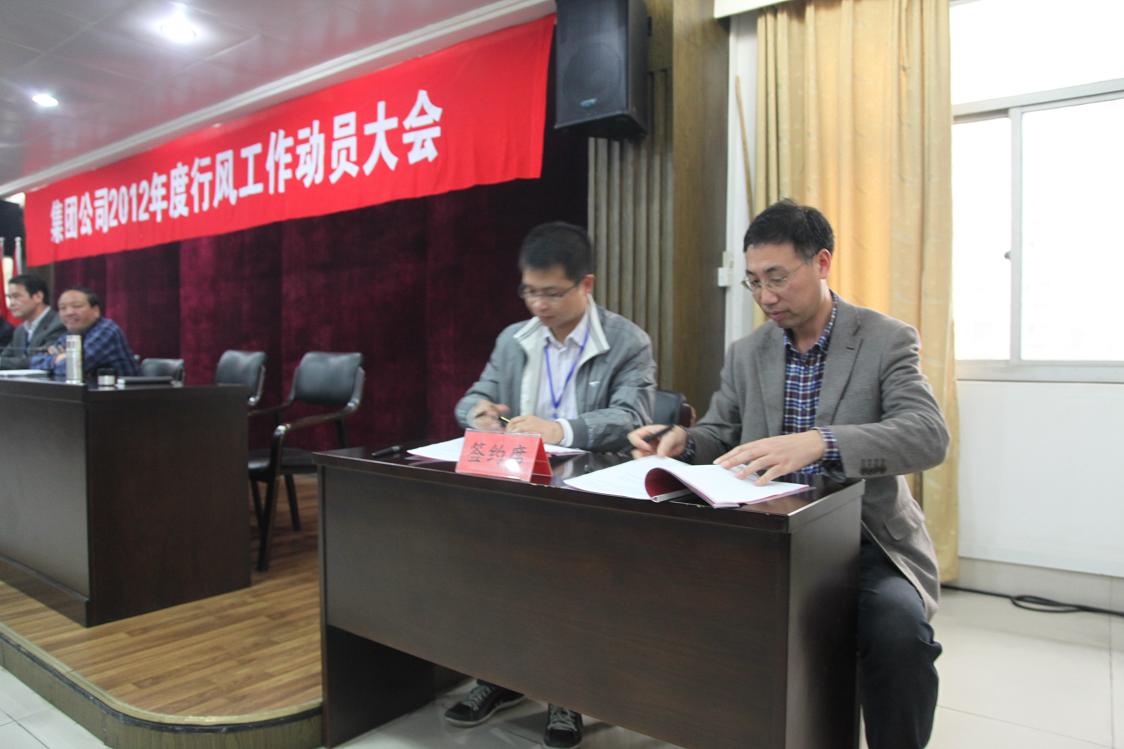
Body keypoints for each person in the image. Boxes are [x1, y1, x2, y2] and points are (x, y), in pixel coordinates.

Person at [628, 199, 948, 749]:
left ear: (822, 262)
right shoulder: (747, 352)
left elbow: (927, 435)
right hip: (768, 539)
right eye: (754, 282)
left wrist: (821, 442)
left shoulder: (885, 339)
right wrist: (684, 441)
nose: (766, 296)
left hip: (863, 541)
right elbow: (722, 431)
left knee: (899, 634)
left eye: (777, 278)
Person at [448, 221, 657, 748]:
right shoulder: (514, 340)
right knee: (488, 569)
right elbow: (475, 395)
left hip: (591, 495)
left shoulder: (626, 342)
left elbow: (632, 416)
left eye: (552, 293)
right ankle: (499, 676)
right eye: (529, 291)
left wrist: (559, 429)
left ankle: (566, 693)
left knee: (565, 581)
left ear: (586, 285)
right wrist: (478, 413)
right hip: (518, 486)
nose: (539, 305)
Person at [31, 287, 140, 379]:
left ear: (95, 311)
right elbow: (35, 362)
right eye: (62, 308)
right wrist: (58, 358)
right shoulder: (70, 334)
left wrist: (62, 359)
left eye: (77, 306)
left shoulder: (107, 330)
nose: (69, 312)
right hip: (88, 394)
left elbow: (73, 368)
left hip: (122, 395)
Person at [0, 274, 67, 369]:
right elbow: (4, 358)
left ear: (38, 297)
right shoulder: (20, 330)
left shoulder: (59, 323)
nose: (11, 304)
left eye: (16, 296)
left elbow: (42, 360)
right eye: (9, 298)